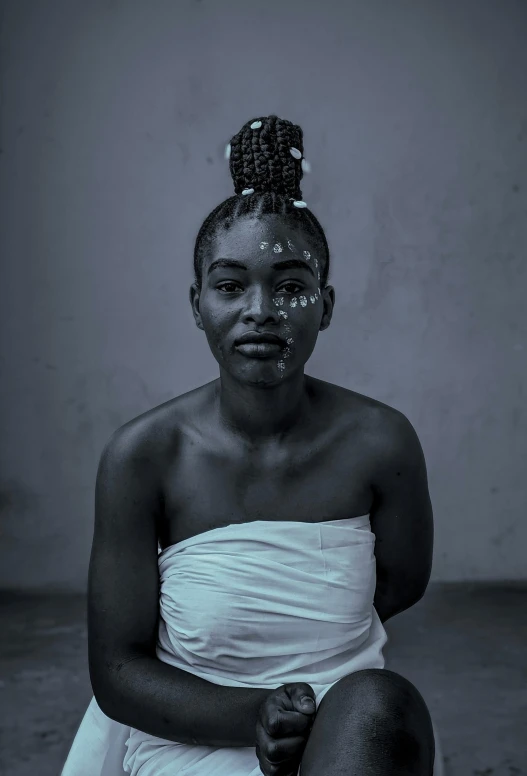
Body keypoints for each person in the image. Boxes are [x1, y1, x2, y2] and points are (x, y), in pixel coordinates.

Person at [60, 115, 443, 776]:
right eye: (231, 285)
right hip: (191, 725)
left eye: (290, 286)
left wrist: (311, 680)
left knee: (382, 702)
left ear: (325, 305)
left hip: (346, 729)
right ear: (197, 303)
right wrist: (257, 713)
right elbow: (119, 670)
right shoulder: (144, 456)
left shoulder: (380, 442)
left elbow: (401, 583)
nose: (260, 310)